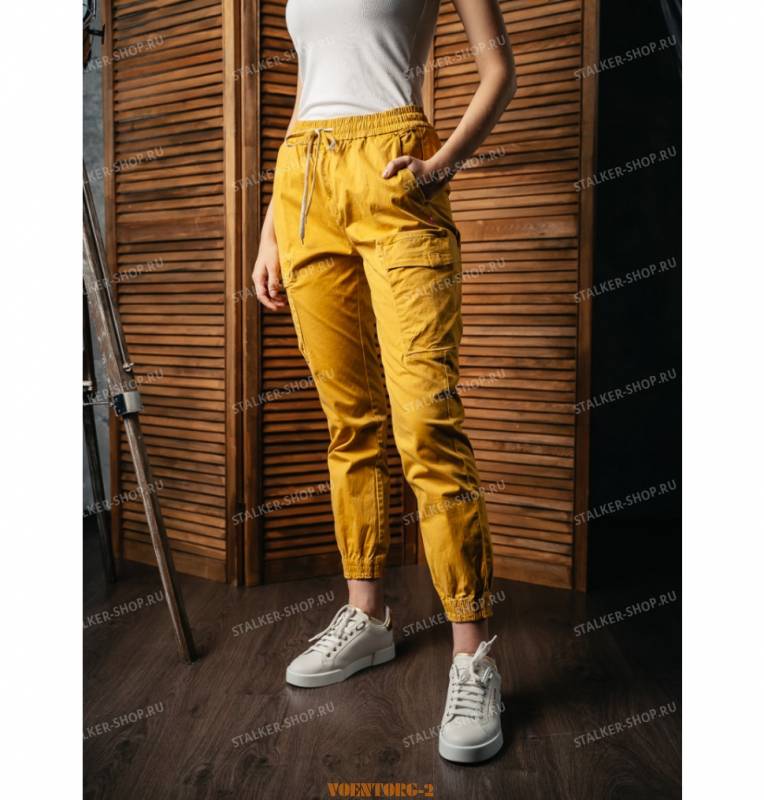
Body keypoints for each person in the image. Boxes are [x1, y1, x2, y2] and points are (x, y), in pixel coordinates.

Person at [253, 0, 517, 764]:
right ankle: (367, 618)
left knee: (427, 423)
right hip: (304, 183)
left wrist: (442, 166)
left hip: (396, 172)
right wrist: (272, 227)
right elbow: (311, 90)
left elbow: (499, 70)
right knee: (351, 423)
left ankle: (473, 657)